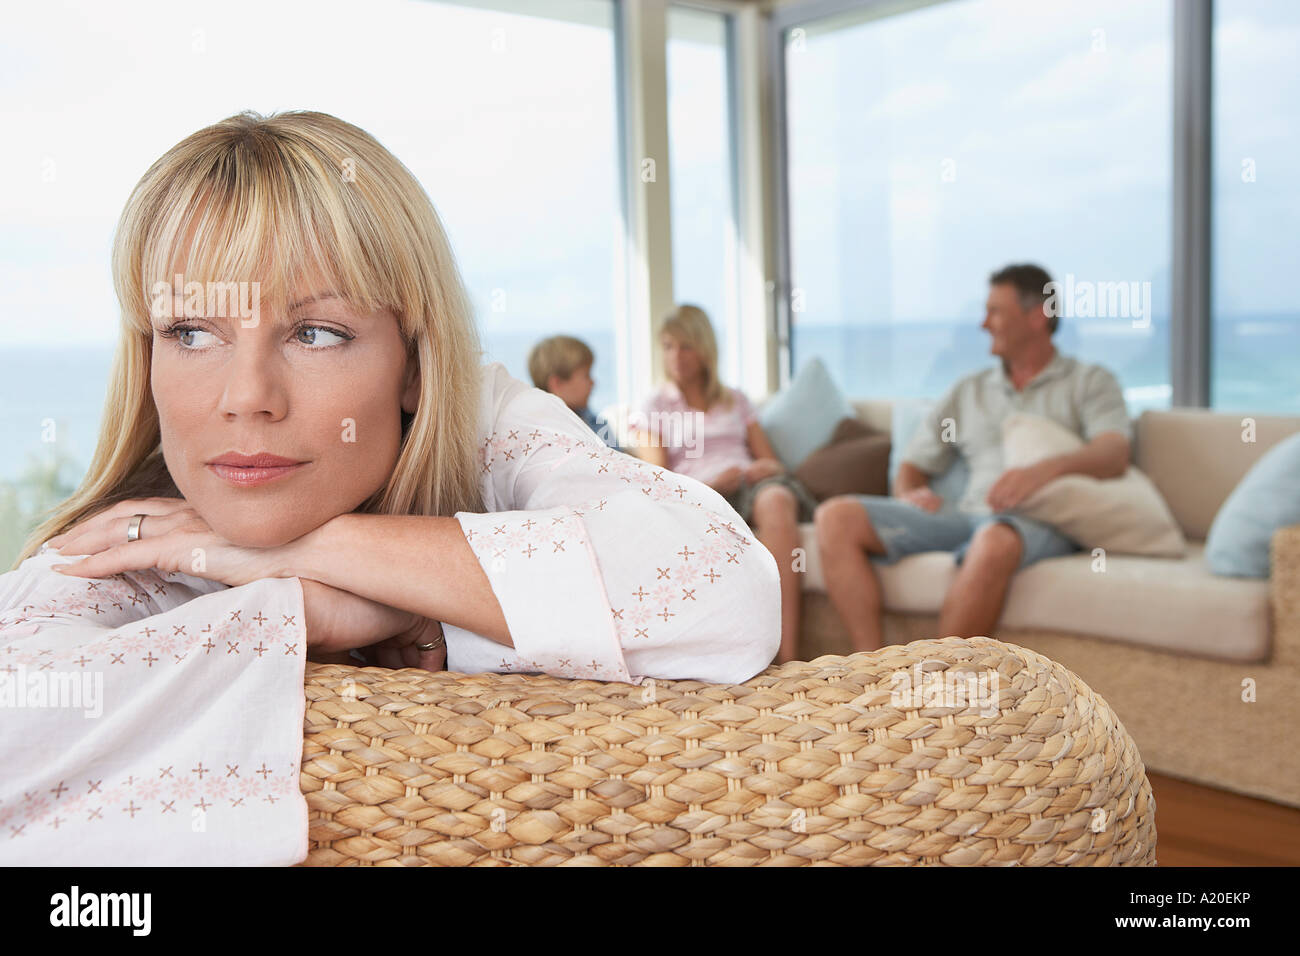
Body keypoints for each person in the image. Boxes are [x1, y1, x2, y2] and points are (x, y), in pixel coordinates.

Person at [0, 110, 779, 866]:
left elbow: (727, 588)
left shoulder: (481, 419)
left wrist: (331, 561)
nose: (247, 397)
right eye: (191, 333)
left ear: (411, 364)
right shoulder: (121, 550)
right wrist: (330, 611)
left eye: (315, 333)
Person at [814, 264, 1131, 652]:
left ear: (1037, 316)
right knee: (835, 517)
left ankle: (934, 684)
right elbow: (914, 462)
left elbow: (1114, 452)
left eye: (996, 311)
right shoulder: (970, 390)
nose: (984, 324)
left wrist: (1042, 472)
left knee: (994, 539)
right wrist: (910, 491)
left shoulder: (1089, 382)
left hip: (1037, 522)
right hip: (962, 515)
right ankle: (872, 667)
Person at [632, 305, 816, 666]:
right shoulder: (654, 404)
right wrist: (715, 483)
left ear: (704, 349)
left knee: (778, 500)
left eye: (686, 346)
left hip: (750, 485)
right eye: (668, 346)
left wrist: (763, 468)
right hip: (700, 494)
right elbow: (657, 484)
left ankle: (789, 657)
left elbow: (773, 461)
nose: (676, 357)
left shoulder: (735, 399)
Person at [527, 334, 622, 451]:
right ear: (557, 384)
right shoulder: (538, 435)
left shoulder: (596, 423)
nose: (593, 382)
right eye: (586, 375)